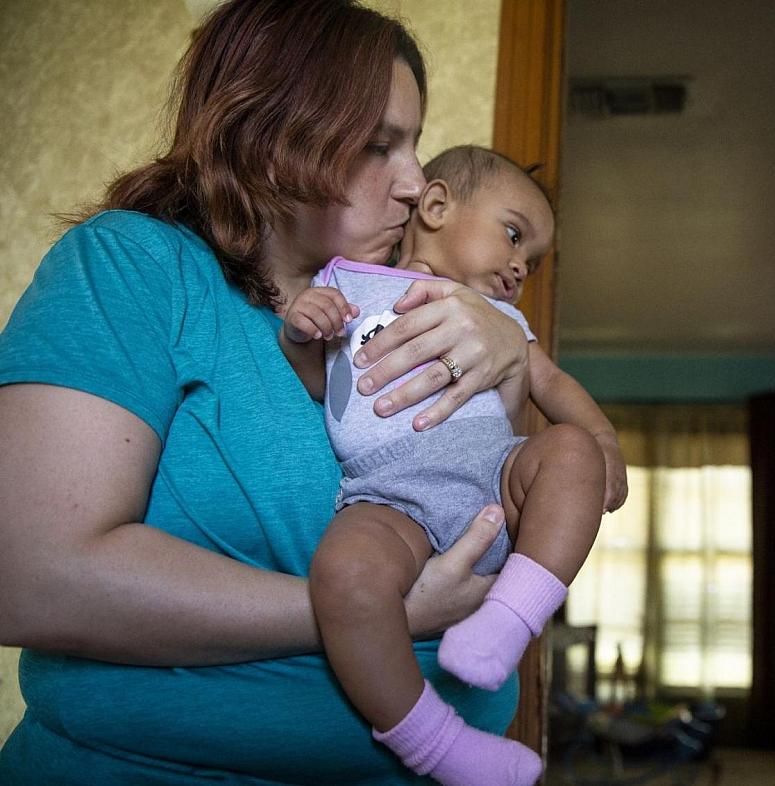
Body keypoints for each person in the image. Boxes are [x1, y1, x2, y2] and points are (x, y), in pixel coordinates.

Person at [0, 2, 544, 783]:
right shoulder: (133, 268)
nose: (416, 183)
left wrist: (511, 358)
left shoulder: (421, 302)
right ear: (270, 131)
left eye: (416, 143)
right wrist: (375, 611)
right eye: (376, 145)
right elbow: (31, 578)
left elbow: (493, 505)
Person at [281, 146, 626, 785]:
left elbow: (552, 385)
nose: (522, 264)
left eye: (535, 260)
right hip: (389, 496)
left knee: (571, 451)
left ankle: (511, 617)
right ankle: (438, 745)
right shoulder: (346, 283)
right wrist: (300, 330)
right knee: (345, 575)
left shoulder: (504, 320)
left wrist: (603, 441)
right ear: (435, 206)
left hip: (495, 475)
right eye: (514, 234)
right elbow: (321, 386)